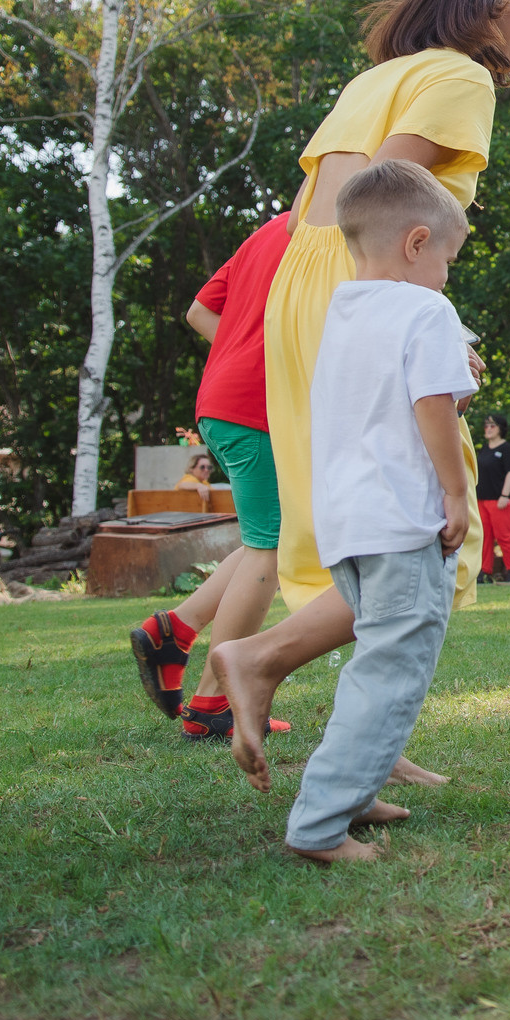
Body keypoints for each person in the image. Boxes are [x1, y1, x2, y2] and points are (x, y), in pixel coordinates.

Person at [212, 0, 510, 782]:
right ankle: (261, 661)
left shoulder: (371, 81)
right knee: (432, 521)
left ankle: (369, 740)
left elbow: (311, 211)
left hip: (305, 281)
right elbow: (381, 201)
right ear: (484, 1)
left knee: (366, 521)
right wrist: (420, 326)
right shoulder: (461, 78)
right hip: (366, 277)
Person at [280, 160, 476, 863]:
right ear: (416, 243)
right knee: (393, 669)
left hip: (346, 526)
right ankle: (320, 824)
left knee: (372, 658)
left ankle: (355, 790)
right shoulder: (427, 310)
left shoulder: (343, 309)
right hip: (400, 523)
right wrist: (456, 492)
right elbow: (431, 408)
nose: (448, 275)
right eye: (448, 259)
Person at [129, 213, 294, 728]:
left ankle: (177, 629)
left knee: (264, 538)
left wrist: (243, 354)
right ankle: (214, 701)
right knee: (273, 545)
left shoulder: (276, 226)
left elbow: (199, 311)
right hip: (258, 406)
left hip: (221, 401)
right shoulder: (330, 231)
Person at [474, 413, 510, 583]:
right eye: (486, 425)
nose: (488, 429)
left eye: (492, 426)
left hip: (502, 500)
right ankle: (484, 571)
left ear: (501, 429)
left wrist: (504, 495)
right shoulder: (484, 449)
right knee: (484, 536)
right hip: (482, 499)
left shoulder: (506, 449)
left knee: (503, 535)